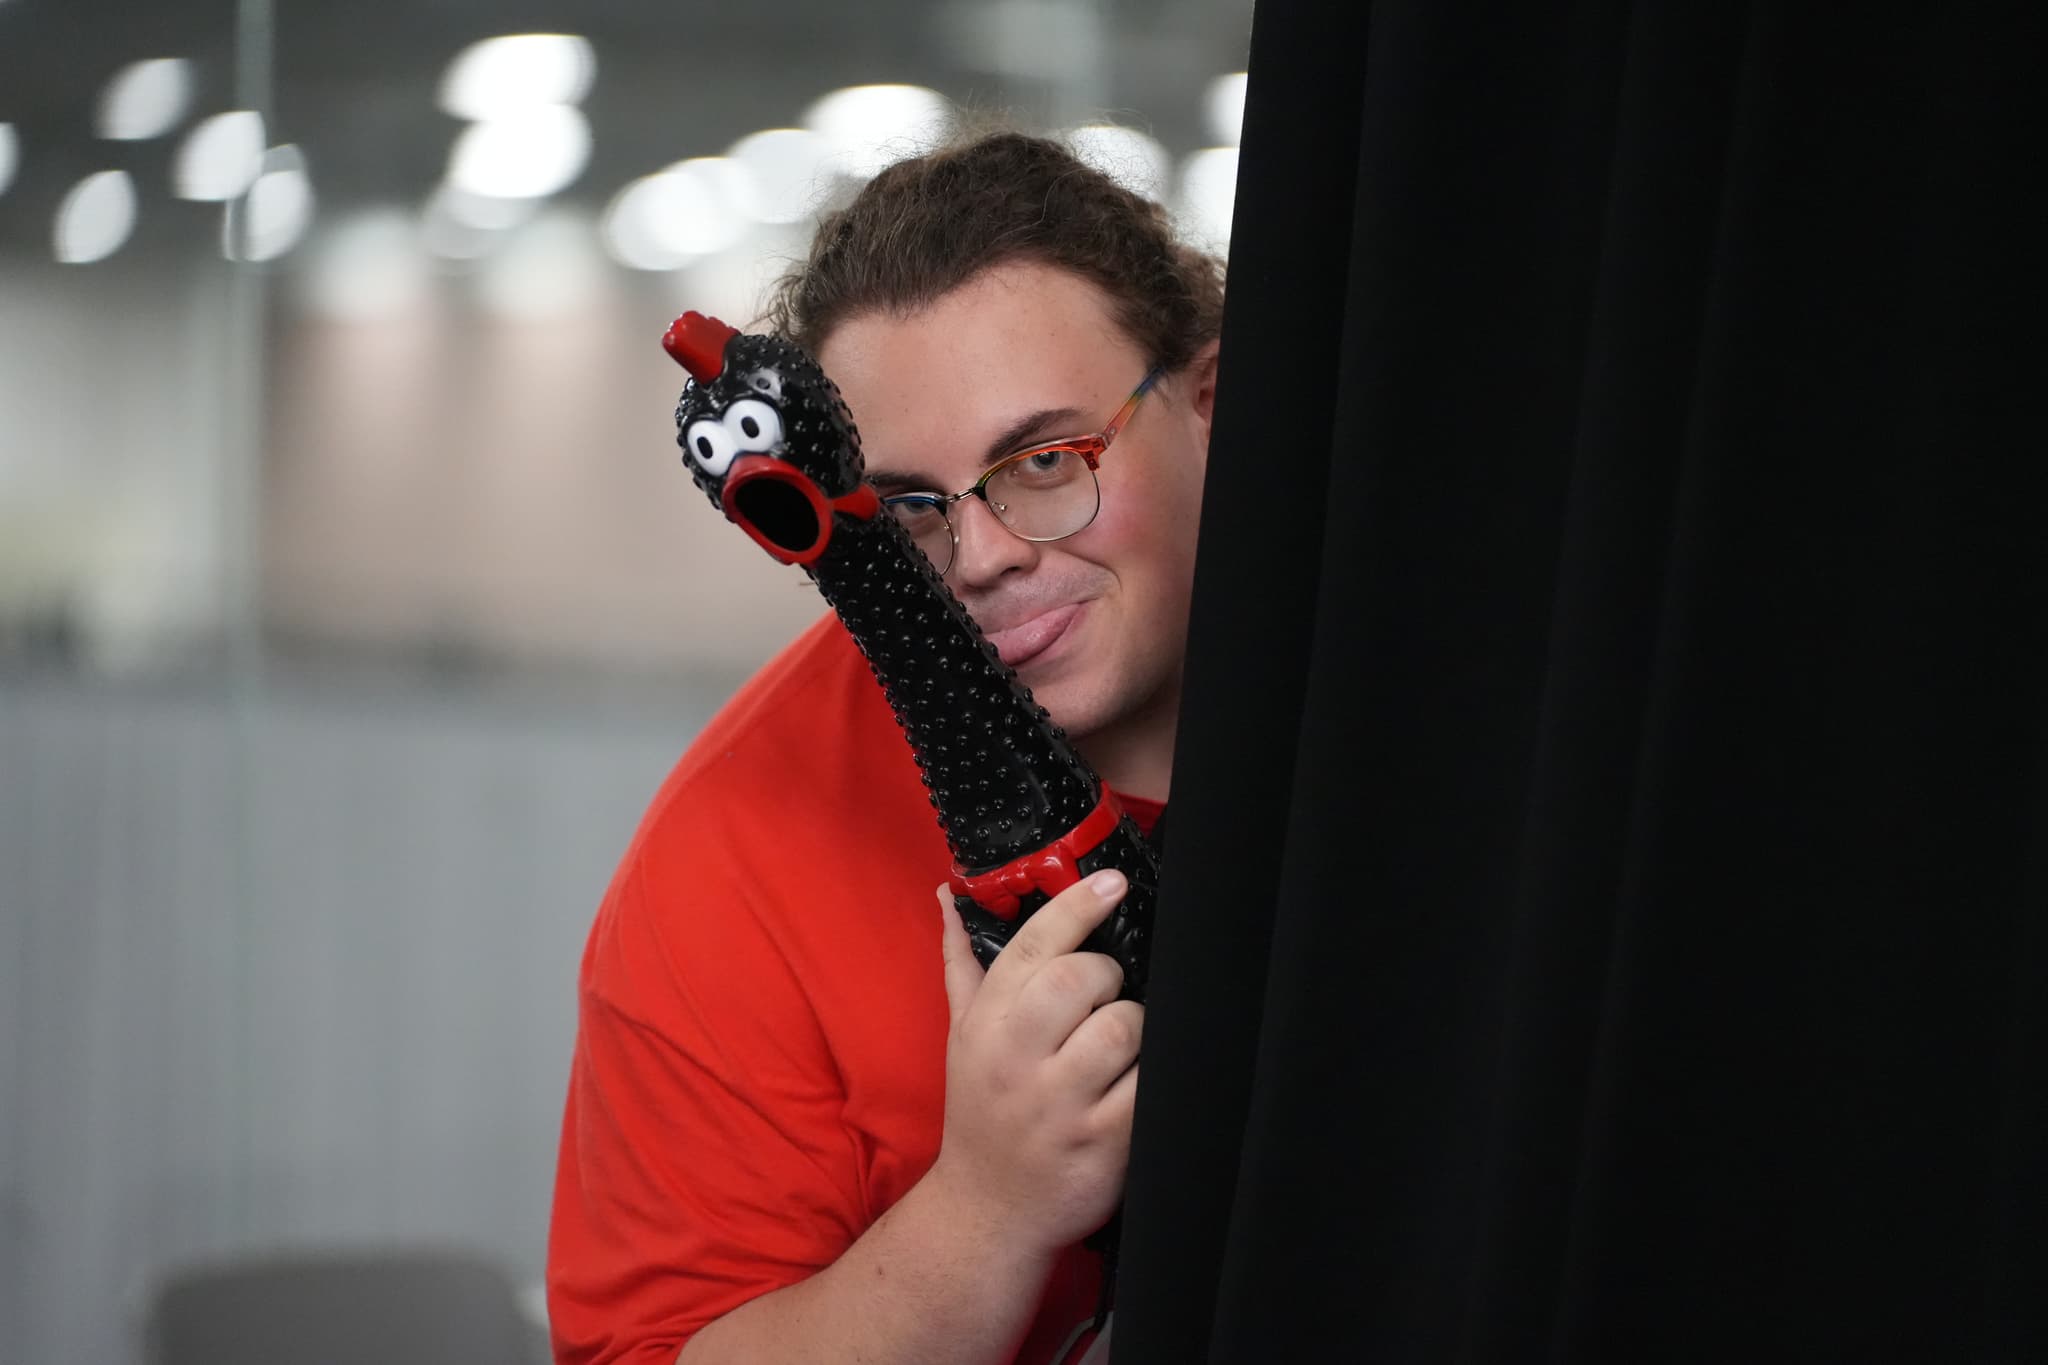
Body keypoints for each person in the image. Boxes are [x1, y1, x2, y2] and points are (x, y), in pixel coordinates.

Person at [546, 130, 1225, 1365]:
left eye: (1043, 461)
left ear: (1207, 403)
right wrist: (986, 1211)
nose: (981, 556)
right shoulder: (736, 853)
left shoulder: (1441, 702)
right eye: (908, 507)